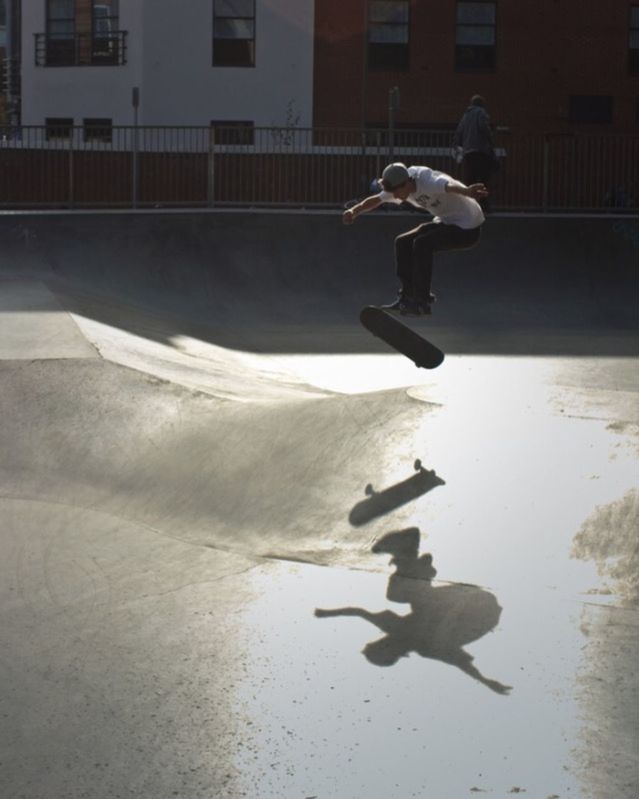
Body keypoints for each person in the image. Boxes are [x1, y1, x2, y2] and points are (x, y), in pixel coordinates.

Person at [342, 162, 487, 315]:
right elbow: (377, 200)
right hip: (448, 222)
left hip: (468, 228)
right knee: (403, 242)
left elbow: (447, 185)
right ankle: (407, 295)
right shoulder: (399, 183)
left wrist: (467, 191)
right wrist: (354, 210)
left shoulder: (427, 180)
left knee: (422, 244)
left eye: (397, 193)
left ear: (406, 183)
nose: (396, 197)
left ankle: (422, 301)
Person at [452, 94, 497, 206]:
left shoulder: (466, 115)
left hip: (468, 152)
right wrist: (491, 141)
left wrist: (456, 145)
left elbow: (459, 132)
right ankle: (483, 203)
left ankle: (469, 204)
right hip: (481, 151)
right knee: (483, 179)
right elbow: (484, 128)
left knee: (469, 179)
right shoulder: (481, 112)